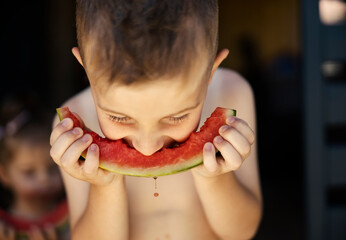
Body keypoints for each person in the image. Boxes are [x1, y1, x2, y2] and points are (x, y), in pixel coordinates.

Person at [50, 0, 262, 239]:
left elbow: (242, 232)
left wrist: (215, 178)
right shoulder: (75, 128)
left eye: (177, 117)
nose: (147, 147)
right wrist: (104, 185)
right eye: (118, 117)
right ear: (86, 69)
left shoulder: (233, 93)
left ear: (210, 73)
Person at [0, 99, 69, 240]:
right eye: (29, 172)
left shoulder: (74, 214)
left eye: (52, 167)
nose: (44, 179)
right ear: (5, 174)